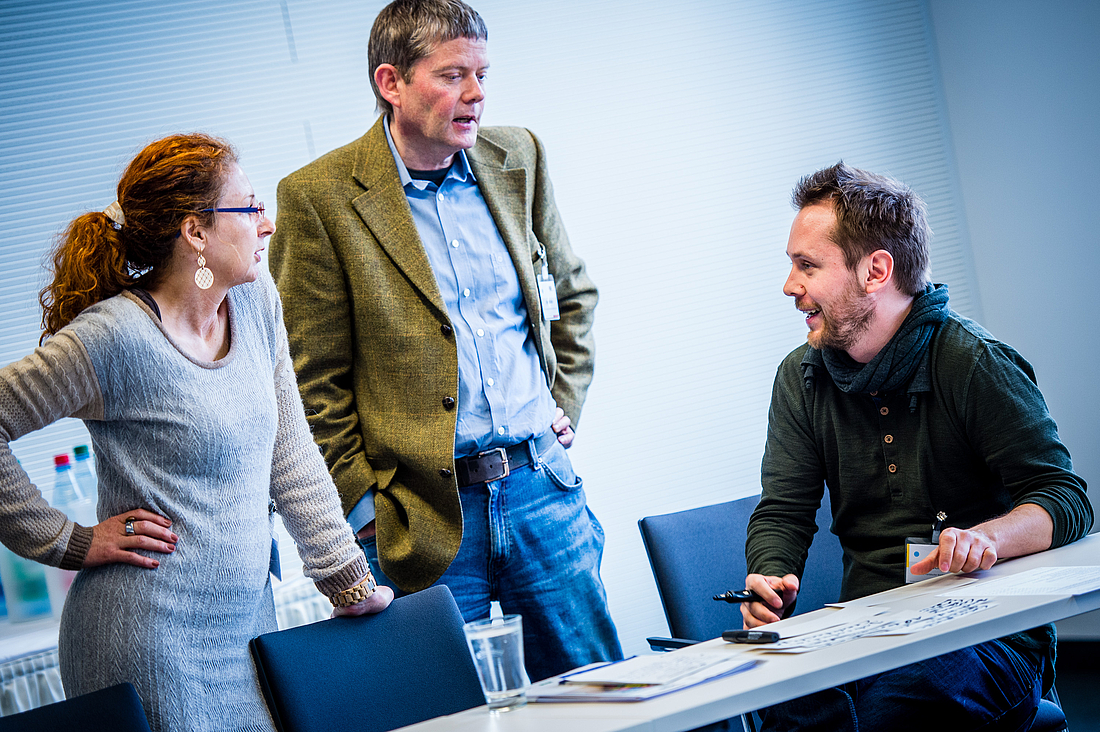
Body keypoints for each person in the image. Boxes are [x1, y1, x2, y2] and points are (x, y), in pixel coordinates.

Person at [269, 0, 621, 681]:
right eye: (453, 74)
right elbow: (312, 381)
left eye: (483, 74)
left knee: (599, 697)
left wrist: (563, 407)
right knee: (437, 710)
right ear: (391, 82)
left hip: (543, 493)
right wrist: (364, 513)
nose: (477, 94)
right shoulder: (319, 198)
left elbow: (572, 296)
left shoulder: (518, 155)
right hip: (417, 517)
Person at [0, 133, 393, 732]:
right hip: (145, 641)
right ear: (196, 232)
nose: (268, 224)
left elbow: (290, 447)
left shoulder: (254, 300)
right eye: (250, 207)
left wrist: (344, 577)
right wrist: (67, 542)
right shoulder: (114, 339)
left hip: (248, 629)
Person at [742, 162, 1092, 731]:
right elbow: (783, 511)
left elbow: (1065, 499)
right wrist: (769, 575)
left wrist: (986, 539)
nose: (790, 286)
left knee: (897, 704)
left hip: (986, 635)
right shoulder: (799, 377)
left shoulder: (972, 362)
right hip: (864, 630)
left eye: (807, 265)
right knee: (784, 702)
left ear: (876, 270)